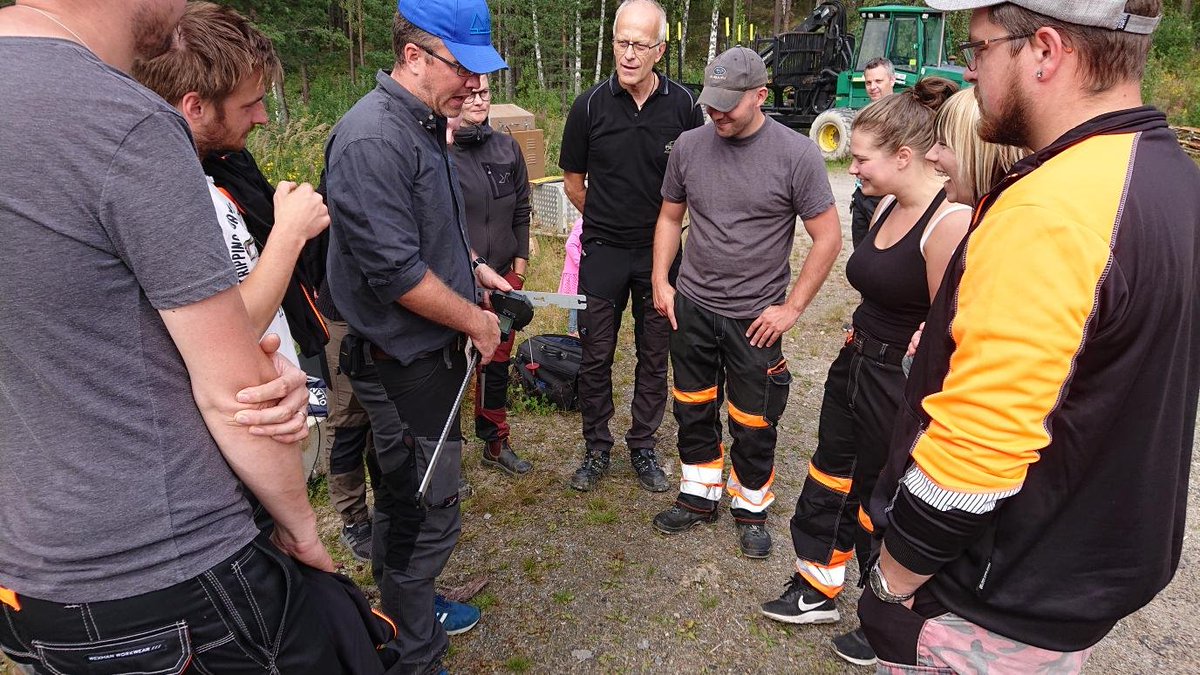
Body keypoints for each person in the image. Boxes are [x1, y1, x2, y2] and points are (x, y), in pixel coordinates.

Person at [858, 1, 1200, 672]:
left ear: (1043, 50)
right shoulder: (1170, 179)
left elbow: (977, 450)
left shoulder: (1050, 209)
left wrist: (891, 579)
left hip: (986, 601)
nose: (968, 67)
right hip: (1070, 581)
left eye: (977, 47)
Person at [0, 1, 341, 672]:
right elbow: (232, 391)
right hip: (170, 568)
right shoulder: (121, 121)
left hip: (29, 575)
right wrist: (301, 529)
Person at [322, 0, 511, 670]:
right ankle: (411, 650)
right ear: (413, 57)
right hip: (399, 360)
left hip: (430, 354)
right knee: (417, 511)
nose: (471, 84)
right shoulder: (373, 138)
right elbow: (397, 273)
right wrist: (475, 320)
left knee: (426, 499)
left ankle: (411, 608)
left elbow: (426, 237)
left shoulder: (427, 124)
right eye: (461, 67)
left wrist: (476, 272)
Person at [759, 77, 970, 666]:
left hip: (898, 383)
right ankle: (818, 584)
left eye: (862, 158)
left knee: (888, 493)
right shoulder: (884, 207)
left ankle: (887, 618)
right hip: (856, 364)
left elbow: (946, 331)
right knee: (831, 471)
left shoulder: (946, 223)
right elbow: (877, 288)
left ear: (905, 156)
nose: (853, 169)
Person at [649, 47, 842, 560]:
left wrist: (793, 308)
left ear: (761, 96)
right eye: (710, 104)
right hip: (691, 305)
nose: (716, 115)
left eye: (728, 106)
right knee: (691, 406)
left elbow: (827, 237)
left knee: (754, 419)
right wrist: (660, 281)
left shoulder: (796, 154)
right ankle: (698, 494)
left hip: (755, 316)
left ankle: (751, 505)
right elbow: (670, 217)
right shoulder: (690, 146)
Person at [559, 0, 706, 493]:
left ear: (659, 50)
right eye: (621, 41)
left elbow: (694, 181)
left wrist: (667, 234)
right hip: (602, 250)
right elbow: (573, 182)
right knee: (595, 354)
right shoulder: (589, 105)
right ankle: (596, 447)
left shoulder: (684, 106)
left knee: (654, 352)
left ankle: (642, 444)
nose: (628, 53)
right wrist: (603, 219)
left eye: (640, 44)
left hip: (659, 256)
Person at [452, 73, 535, 476]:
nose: (479, 101)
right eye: (470, 94)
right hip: (452, 280)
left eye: (484, 93)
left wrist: (517, 272)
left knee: (496, 363)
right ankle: (448, 457)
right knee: (449, 367)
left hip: (503, 279)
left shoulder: (507, 149)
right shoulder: (441, 151)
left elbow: (522, 209)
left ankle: (495, 440)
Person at [849, 57, 896, 249]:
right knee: (860, 253)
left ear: (892, 80)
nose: (872, 87)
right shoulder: (865, 113)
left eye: (878, 81)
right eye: (868, 82)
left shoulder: (902, 115)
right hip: (862, 195)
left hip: (885, 196)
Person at [559, 218, 583, 335]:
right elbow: (570, 245)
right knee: (576, 303)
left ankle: (577, 330)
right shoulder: (582, 223)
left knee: (580, 302)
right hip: (575, 271)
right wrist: (581, 263)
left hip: (579, 271)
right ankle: (573, 331)